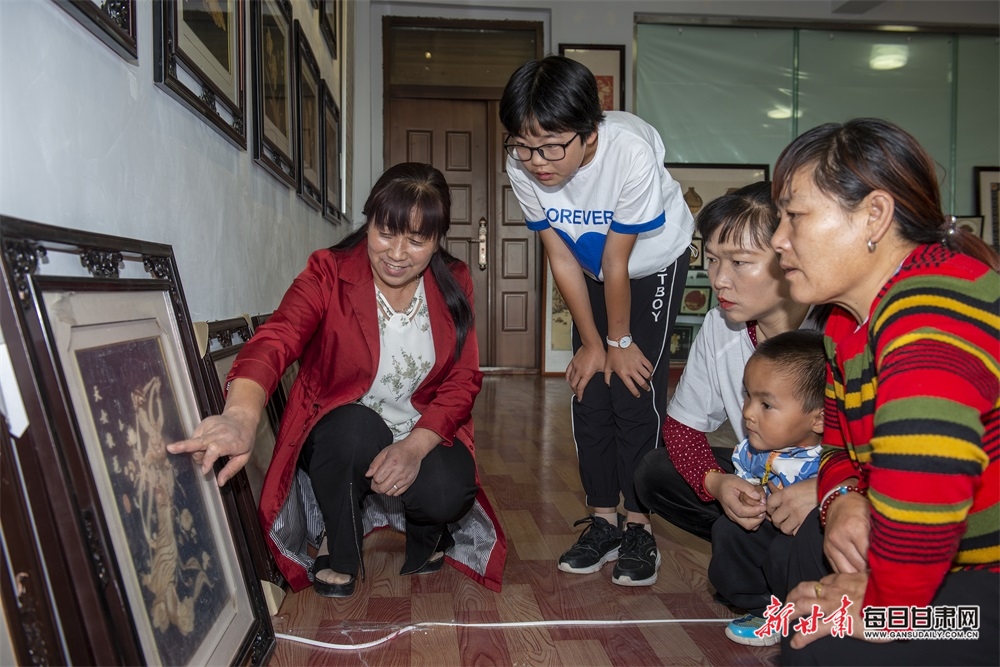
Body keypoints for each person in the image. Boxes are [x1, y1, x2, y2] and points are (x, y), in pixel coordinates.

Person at [167, 162, 507, 597]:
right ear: (368, 222)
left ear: (438, 241)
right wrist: (240, 415)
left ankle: (428, 529)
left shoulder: (454, 280)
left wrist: (415, 446)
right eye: (386, 232)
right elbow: (277, 339)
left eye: (418, 240)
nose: (398, 254)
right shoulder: (329, 271)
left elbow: (463, 380)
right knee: (353, 430)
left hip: (419, 427)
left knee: (447, 491)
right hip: (343, 429)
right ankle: (340, 541)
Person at [768, 118, 998, 665]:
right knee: (794, 568)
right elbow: (837, 448)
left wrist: (885, 603)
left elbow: (931, 464)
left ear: (874, 215)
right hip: (945, 561)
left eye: (794, 216)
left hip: (986, 580)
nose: (779, 238)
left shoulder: (933, 306)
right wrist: (842, 499)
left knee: (818, 649)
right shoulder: (843, 325)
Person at [499, 55, 693, 586]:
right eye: (522, 144)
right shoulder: (521, 164)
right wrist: (590, 343)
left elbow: (620, 262)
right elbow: (560, 256)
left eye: (551, 146)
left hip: (650, 262)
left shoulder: (627, 150)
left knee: (631, 387)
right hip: (589, 263)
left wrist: (619, 341)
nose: (537, 161)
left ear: (589, 132)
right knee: (589, 386)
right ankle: (604, 520)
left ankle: (641, 527)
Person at [634, 181, 824, 546]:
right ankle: (767, 547)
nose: (719, 279)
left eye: (739, 262)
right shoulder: (720, 325)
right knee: (654, 471)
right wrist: (716, 483)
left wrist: (824, 488)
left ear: (791, 254)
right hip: (766, 478)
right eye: (712, 259)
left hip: (842, 487)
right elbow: (682, 428)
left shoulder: (838, 327)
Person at [708, 329, 826, 646]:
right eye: (748, 396)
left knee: (786, 549)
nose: (747, 412)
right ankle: (762, 604)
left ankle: (805, 612)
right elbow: (745, 475)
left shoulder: (830, 460)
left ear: (819, 419)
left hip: (810, 549)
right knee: (728, 530)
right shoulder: (752, 450)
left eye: (766, 405)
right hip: (771, 526)